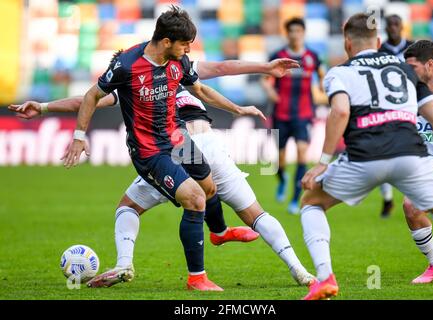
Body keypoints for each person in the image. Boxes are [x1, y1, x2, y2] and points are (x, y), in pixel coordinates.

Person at [11, 58, 315, 289]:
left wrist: (44, 106)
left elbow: (86, 101)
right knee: (255, 214)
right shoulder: (181, 72)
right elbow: (222, 69)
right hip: (206, 144)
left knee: (128, 207)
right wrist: (265, 68)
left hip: (169, 148)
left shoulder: (139, 82)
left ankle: (126, 263)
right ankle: (298, 269)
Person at [61, 6, 266, 291]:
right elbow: (92, 95)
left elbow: (201, 91)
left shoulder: (179, 61)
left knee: (208, 189)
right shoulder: (127, 65)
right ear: (166, 41)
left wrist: (237, 109)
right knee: (194, 198)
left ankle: (219, 233)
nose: (188, 49)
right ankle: (197, 278)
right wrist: (79, 136)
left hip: (178, 139)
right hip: (149, 151)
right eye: (184, 44)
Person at [299, 13, 433, 300]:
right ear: (378, 41)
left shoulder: (339, 73)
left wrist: (323, 162)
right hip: (410, 155)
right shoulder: (405, 69)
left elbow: (341, 112)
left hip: (364, 157)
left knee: (312, 204)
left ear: (347, 44)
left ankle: (325, 278)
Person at [261, 17, 325, 215]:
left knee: (301, 153)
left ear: (303, 33)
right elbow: (265, 79)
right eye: (291, 31)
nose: (294, 34)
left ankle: (295, 199)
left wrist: (323, 85)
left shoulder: (312, 56)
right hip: (281, 113)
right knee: (280, 159)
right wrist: (270, 91)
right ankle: (282, 179)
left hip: (304, 114)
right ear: (286, 33)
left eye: (298, 30)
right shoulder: (278, 55)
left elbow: (322, 73)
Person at [402, 40, 433, 283]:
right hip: (426, 168)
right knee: (410, 206)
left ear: (430, 65)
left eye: (413, 67)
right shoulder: (407, 94)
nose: (408, 73)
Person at [377, 14, 415, 217]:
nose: (392, 27)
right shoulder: (379, 51)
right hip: (385, 109)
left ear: (402, 26)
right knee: (381, 154)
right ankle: (388, 198)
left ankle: (416, 198)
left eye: (396, 24)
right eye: (389, 24)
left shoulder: (413, 48)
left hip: (410, 107)